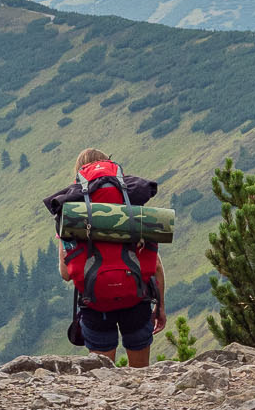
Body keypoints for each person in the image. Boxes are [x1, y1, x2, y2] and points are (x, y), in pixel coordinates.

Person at [47, 146, 166, 368]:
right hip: (137, 300)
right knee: (141, 376)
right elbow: (156, 265)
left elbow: (65, 273)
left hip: (95, 304)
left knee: (102, 380)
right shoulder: (133, 207)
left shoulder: (71, 215)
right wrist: (160, 306)